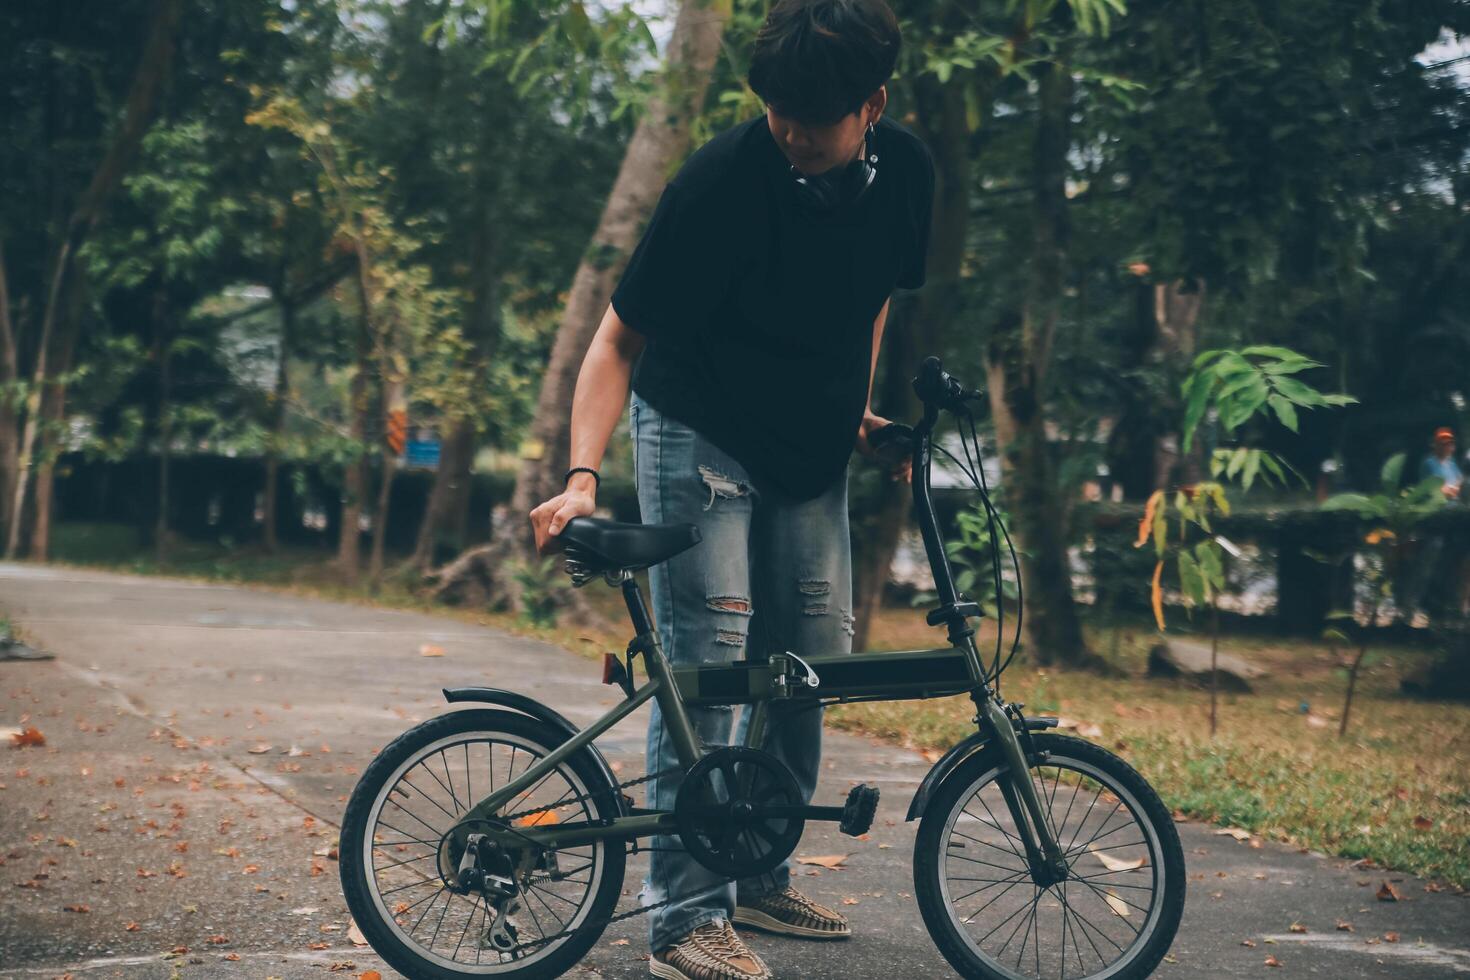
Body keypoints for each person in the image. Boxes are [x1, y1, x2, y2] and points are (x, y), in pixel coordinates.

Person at [528, 2, 934, 976]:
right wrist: (582, 476)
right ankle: (684, 917)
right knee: (706, 665)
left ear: (871, 104)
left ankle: (757, 871)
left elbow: (869, 296)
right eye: (778, 110)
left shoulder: (908, 176)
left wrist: (857, 411)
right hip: (697, 426)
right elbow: (617, 340)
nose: (792, 130)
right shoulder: (718, 181)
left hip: (808, 441)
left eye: (815, 116)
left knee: (808, 666)